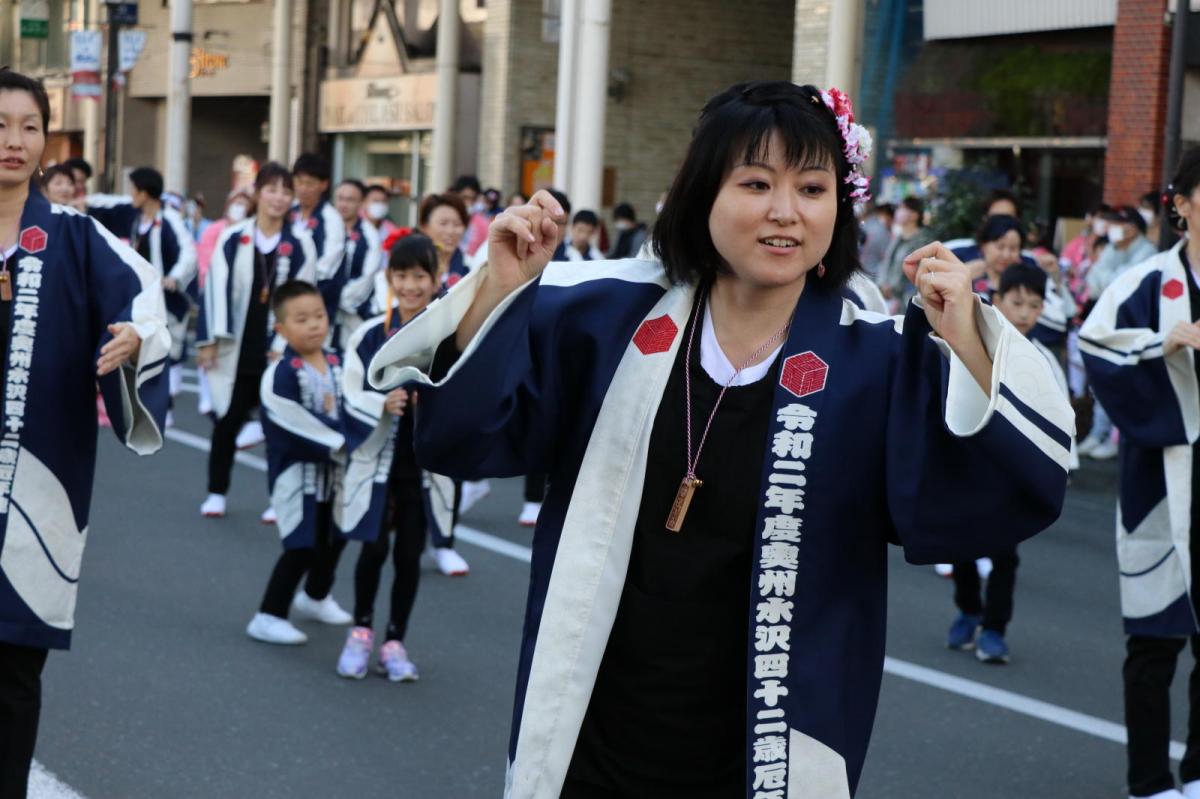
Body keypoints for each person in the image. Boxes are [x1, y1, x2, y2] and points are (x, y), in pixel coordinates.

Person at [368, 80, 1071, 799]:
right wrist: (500, 288)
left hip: (767, 752)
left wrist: (971, 343)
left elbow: (1004, 493)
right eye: (756, 182)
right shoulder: (607, 316)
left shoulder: (876, 360)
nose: (785, 211)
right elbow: (461, 439)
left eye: (813, 187)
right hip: (592, 734)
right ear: (704, 191)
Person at [0, 68, 170, 799]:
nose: (13, 140)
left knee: (11, 676)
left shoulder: (74, 236)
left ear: (47, 139)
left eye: (29, 126)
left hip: (37, 487)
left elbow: (143, 297)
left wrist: (138, 335)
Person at [1080, 146, 1200, 799]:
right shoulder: (1146, 283)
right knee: (1154, 641)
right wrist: (1167, 342)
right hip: (1163, 480)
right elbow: (1096, 348)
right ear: (1180, 203)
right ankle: (1150, 781)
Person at [336, 234, 455, 680]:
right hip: (377, 458)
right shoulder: (369, 334)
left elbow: (464, 388)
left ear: (435, 278)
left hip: (422, 464)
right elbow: (349, 390)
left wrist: (436, 403)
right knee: (373, 546)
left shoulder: (448, 331)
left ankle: (394, 639)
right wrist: (378, 403)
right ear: (389, 278)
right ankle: (360, 629)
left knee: (409, 554)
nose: (410, 285)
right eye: (401, 276)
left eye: (420, 276)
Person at [945, 263, 1076, 664]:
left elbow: (1060, 416)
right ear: (997, 299)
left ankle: (995, 629)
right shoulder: (971, 343)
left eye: (1034, 306)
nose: (1024, 313)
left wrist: (1062, 466)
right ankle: (968, 610)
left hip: (1013, 474)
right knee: (961, 544)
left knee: (1005, 554)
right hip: (970, 464)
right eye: (1017, 302)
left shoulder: (1042, 360)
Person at [196, 163, 318, 518]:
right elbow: (213, 289)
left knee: (280, 424)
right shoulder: (234, 237)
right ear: (258, 193)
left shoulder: (299, 244)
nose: (278, 198)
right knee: (227, 421)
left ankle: (280, 498)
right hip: (237, 343)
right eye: (271, 190)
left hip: (278, 347)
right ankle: (216, 492)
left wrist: (291, 342)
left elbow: (304, 296)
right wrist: (208, 341)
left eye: (285, 191)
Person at [246, 280, 352, 644]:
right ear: (281, 329)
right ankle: (268, 614)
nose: (313, 325)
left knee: (335, 537)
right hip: (297, 473)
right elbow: (289, 420)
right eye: (302, 319)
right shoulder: (280, 373)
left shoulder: (339, 361)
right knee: (301, 543)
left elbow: (357, 404)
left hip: (335, 474)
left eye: (319, 315)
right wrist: (344, 440)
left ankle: (316, 596)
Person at [87, 166, 198, 415]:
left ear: (145, 192)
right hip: (143, 296)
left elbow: (189, 252)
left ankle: (163, 404)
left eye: (134, 189)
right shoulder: (137, 216)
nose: (131, 194)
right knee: (142, 345)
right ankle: (148, 403)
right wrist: (81, 201)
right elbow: (110, 203)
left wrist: (174, 277)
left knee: (166, 347)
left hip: (167, 299)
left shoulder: (169, 219)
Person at [1080, 205, 1160, 461]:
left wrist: (1108, 282)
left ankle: (1116, 437)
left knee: (1125, 382)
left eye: (1118, 222)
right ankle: (1097, 433)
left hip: (1135, 329)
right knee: (1102, 380)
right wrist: (1110, 281)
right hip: (1107, 326)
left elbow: (1122, 287)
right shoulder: (1113, 250)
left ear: (1133, 226)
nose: (1112, 228)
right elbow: (1093, 284)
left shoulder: (1148, 253)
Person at [327, 178, 383, 351]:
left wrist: (334, 297)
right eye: (340, 198)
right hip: (320, 312)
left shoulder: (370, 235)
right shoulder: (325, 228)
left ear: (361, 203)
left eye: (350, 199)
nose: (344, 204)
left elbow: (367, 278)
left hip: (352, 315)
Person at [290, 152, 346, 299]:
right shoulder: (288, 211)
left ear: (323, 184)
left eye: (309, 183)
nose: (303, 189)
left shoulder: (331, 218)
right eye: (299, 182)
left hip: (314, 294)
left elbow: (326, 265)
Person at [877, 195, 934, 309]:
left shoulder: (923, 242)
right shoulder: (898, 238)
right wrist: (883, 284)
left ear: (914, 215)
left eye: (903, 208)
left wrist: (893, 288)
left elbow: (917, 273)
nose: (898, 211)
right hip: (887, 299)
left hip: (906, 302)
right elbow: (886, 263)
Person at [418, 192, 470, 287]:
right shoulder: (409, 267)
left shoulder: (472, 269)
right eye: (443, 223)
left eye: (457, 224)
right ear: (424, 227)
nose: (450, 231)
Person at [858, 202, 894, 281]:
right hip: (871, 276)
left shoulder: (866, 225)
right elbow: (885, 257)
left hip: (862, 274)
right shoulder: (882, 231)